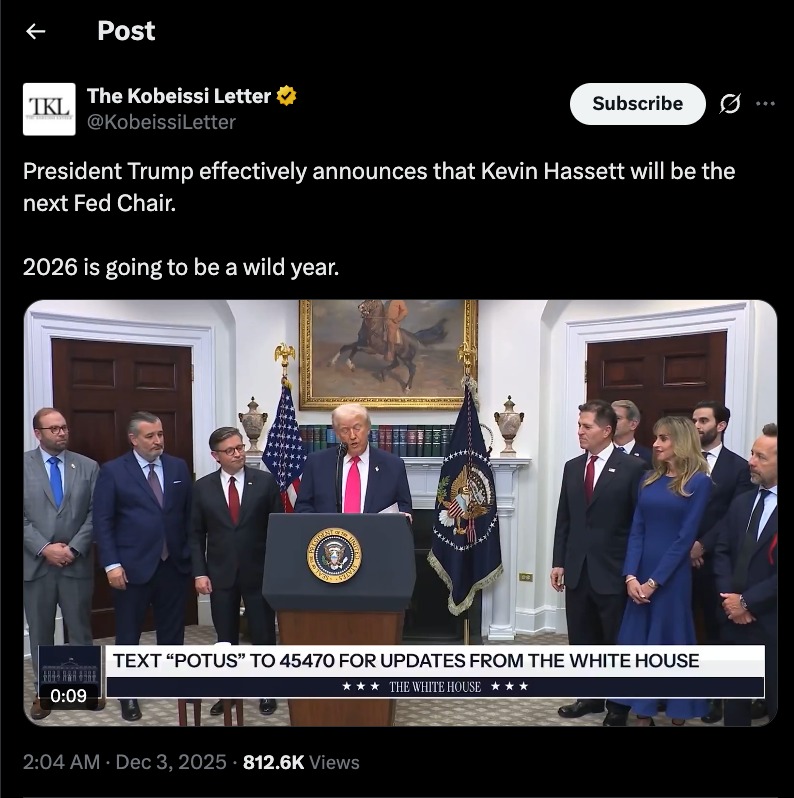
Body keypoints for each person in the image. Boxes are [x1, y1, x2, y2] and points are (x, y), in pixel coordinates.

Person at [550, 399, 646, 726]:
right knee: (582, 636)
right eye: (579, 425)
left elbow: (639, 524)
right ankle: (588, 696)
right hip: (577, 569)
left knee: (615, 640)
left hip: (614, 570)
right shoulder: (572, 467)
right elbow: (565, 517)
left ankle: (618, 708)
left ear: (607, 430)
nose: (580, 431)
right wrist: (558, 561)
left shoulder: (633, 468)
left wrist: (633, 570)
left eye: (586, 426)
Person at [92, 411, 193, 722]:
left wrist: (189, 555)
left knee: (173, 631)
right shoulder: (113, 471)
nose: (158, 441)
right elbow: (103, 521)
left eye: (160, 434)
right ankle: (128, 694)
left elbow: (187, 515)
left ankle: (172, 681)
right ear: (133, 439)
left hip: (173, 564)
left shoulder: (177, 466)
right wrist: (111, 564)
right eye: (150, 436)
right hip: (131, 566)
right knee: (128, 633)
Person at [616, 416, 712, 726]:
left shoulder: (699, 482)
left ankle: (678, 714)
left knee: (669, 641)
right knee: (640, 643)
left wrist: (654, 582)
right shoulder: (648, 479)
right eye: (656, 438)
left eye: (664, 439)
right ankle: (642, 712)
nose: (655, 444)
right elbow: (637, 531)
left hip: (670, 578)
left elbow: (686, 538)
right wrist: (631, 576)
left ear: (681, 442)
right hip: (640, 574)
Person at [190, 427, 283, 717]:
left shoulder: (265, 483)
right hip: (220, 574)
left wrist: (277, 570)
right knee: (225, 638)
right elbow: (195, 535)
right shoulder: (202, 488)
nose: (238, 453)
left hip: (259, 572)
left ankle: (267, 690)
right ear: (215, 456)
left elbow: (277, 530)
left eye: (240, 447)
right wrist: (199, 573)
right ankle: (228, 692)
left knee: (264, 635)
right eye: (230, 450)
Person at [24, 408, 105, 720]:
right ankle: (45, 692)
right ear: (38, 433)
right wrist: (45, 548)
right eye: (54, 429)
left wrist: (73, 547)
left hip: (75, 562)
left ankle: (84, 688)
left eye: (63, 427)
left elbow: (96, 513)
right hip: (36, 564)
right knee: (41, 632)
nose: (61, 433)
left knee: (80, 628)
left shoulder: (87, 466)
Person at [690, 400, 754, 723]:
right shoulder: (681, 461)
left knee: (715, 630)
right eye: (694, 420)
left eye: (703, 420)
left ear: (721, 425)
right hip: (681, 560)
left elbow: (734, 515)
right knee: (681, 627)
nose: (697, 426)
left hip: (717, 563)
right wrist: (687, 546)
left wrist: (703, 545)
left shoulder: (739, 467)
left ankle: (715, 695)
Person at [712, 423, 777, 726]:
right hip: (733, 618)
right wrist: (731, 600)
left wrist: (747, 603)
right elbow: (722, 551)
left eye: (761, 457)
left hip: (770, 619)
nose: (751, 461)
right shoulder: (741, 502)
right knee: (735, 704)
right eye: (752, 454)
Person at [294, 403, 412, 518]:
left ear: (368, 428)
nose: (352, 436)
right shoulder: (316, 463)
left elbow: (404, 507)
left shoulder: (393, 465)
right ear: (337, 434)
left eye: (357, 428)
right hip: (330, 536)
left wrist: (404, 517)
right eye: (345, 430)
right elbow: (303, 506)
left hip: (376, 535)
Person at [611, 400, 653, 465]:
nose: (612, 422)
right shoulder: (601, 452)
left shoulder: (648, 456)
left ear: (633, 424)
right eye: (610, 418)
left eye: (618, 418)